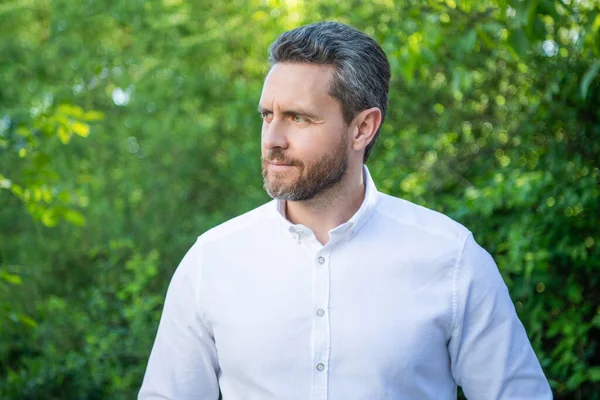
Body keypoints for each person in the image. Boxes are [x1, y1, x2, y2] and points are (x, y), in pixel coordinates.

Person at [139, 21, 552, 399]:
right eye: (268, 116)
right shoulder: (212, 261)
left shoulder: (451, 258)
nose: (273, 139)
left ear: (362, 128)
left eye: (298, 118)